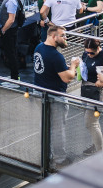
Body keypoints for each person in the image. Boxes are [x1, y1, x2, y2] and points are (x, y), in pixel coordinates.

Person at [33, 25, 80, 168]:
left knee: (44, 126)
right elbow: (67, 77)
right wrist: (73, 65)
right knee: (58, 129)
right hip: (55, 97)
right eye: (63, 36)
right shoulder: (56, 55)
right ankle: (59, 160)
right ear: (54, 37)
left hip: (39, 94)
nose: (66, 38)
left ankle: (45, 155)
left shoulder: (39, 48)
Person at [77, 38, 103, 155]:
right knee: (93, 122)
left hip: (98, 91)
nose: (89, 54)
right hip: (86, 89)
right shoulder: (86, 54)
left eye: (92, 52)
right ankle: (96, 145)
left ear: (98, 48)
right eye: (87, 52)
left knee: (90, 122)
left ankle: (100, 151)